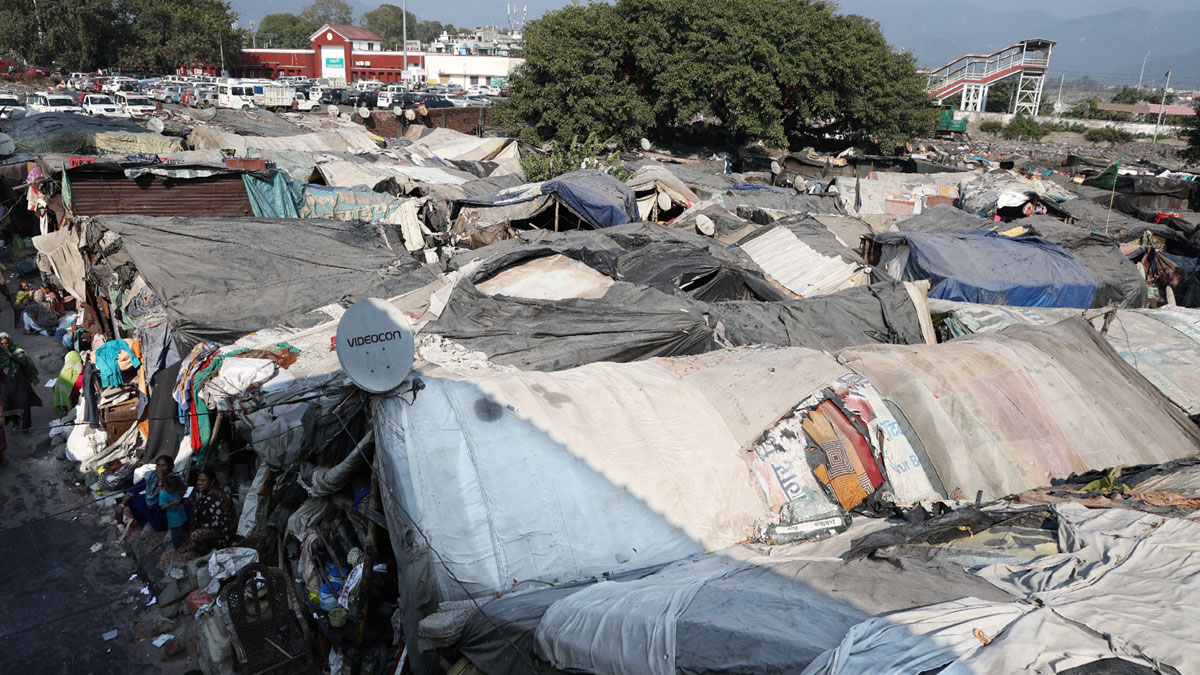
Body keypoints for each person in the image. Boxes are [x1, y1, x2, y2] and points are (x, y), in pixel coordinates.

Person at [183, 468, 236, 555]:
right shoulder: (219, 490)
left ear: (212, 481)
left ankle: (207, 547)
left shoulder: (211, 497)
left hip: (222, 531)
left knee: (195, 534)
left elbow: (221, 522)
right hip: (225, 526)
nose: (200, 483)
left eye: (203, 481)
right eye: (199, 480)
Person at [119, 454, 172, 534]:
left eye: (164, 465)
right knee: (133, 498)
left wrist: (160, 478)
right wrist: (122, 504)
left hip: (166, 506)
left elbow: (163, 496)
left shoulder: (173, 478)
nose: (160, 468)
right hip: (152, 503)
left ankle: (170, 528)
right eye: (158, 465)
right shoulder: (151, 475)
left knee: (159, 504)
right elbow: (136, 488)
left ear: (170, 467)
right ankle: (146, 523)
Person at [0, 332, 40, 432]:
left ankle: (26, 427)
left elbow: (21, 361)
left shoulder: (17, 350)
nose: (5, 346)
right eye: (2, 344)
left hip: (19, 382)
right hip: (5, 383)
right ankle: (15, 421)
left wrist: (9, 354)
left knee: (24, 402)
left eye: (6, 343)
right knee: (8, 404)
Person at [159, 474, 187, 550]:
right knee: (175, 531)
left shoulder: (173, 490)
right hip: (173, 516)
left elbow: (176, 494)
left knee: (180, 526)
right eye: (173, 490)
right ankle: (178, 545)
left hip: (179, 512)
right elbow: (162, 507)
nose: (174, 491)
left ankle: (180, 535)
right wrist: (173, 503)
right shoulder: (163, 494)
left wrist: (183, 493)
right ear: (167, 487)